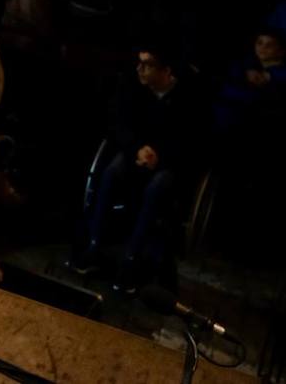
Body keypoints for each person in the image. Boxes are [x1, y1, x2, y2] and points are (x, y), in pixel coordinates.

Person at [74, 43, 202, 293]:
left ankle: (132, 259)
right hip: (137, 152)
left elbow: (192, 141)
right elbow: (119, 122)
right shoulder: (133, 87)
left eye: (148, 65)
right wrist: (137, 148)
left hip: (169, 163)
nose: (140, 69)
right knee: (111, 172)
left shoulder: (188, 98)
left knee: (157, 188)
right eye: (139, 62)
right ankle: (93, 244)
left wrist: (160, 156)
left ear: (166, 71)